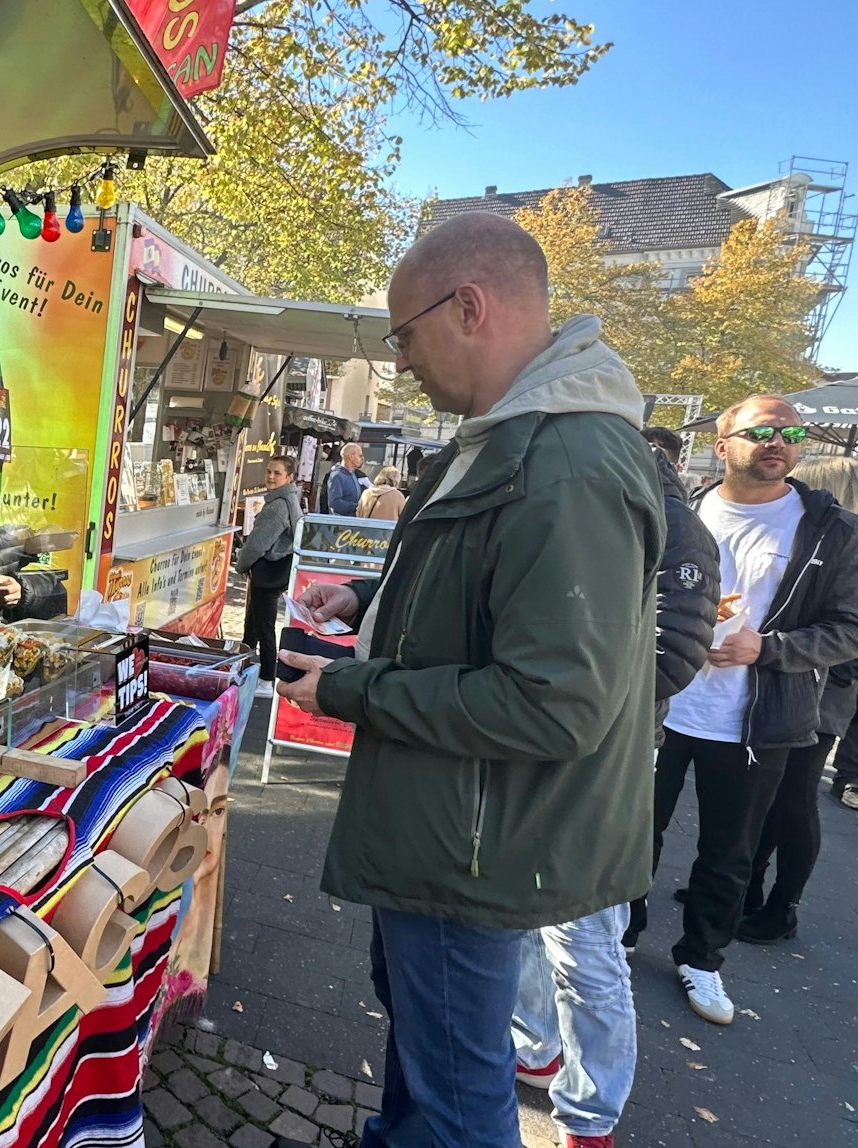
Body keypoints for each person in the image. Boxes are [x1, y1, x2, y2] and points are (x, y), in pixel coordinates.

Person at [277, 213, 663, 1148]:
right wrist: (368, 597)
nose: (402, 362)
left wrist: (350, 691)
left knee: (456, 1100)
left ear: (469, 308)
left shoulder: (562, 460)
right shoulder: (515, 440)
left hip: (474, 839)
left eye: (402, 334)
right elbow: (495, 595)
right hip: (455, 827)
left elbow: (551, 700)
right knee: (433, 1058)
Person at [638, 394, 858, 1025]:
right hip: (659, 705)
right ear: (722, 446)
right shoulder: (679, 512)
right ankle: (619, 933)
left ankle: (702, 960)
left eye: (792, 432)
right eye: (762, 431)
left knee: (731, 850)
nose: (779, 441)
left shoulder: (833, 528)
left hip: (758, 717)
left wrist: (769, 648)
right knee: (633, 832)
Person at [510, 430, 718, 1148]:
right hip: (525, 746)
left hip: (604, 759)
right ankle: (535, 1047)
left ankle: (590, 1112)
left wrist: (571, 710)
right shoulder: (559, 494)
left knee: (584, 937)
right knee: (522, 916)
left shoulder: (667, 518)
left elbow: (677, 649)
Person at [741, 457, 858, 942]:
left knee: (793, 801)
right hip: (784, 691)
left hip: (821, 700)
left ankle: (782, 907)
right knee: (766, 799)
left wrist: (791, 651)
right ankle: (746, 888)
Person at [235, 455, 302, 690]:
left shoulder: (278, 506)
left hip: (267, 572)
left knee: (263, 626)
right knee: (253, 623)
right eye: (269, 471)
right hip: (275, 571)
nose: (271, 477)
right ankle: (243, 667)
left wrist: (241, 565)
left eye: (277, 473)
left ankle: (266, 678)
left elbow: (257, 544)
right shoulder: (290, 499)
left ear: (289, 477)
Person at [324, 442, 370, 515]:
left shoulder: (352, 474)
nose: (362, 459)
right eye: (360, 456)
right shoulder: (337, 476)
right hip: (341, 523)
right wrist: (358, 507)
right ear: (351, 456)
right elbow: (334, 503)